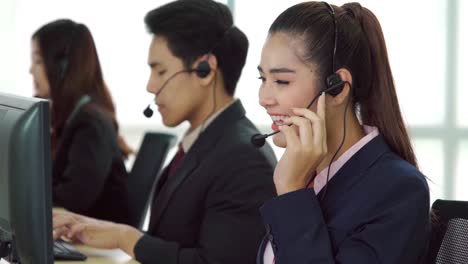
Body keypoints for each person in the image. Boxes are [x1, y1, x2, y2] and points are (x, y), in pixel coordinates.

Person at [53, 1, 277, 263]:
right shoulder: (206, 141)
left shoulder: (244, 159)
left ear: (205, 70)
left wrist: (127, 238)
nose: (150, 86)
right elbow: (180, 240)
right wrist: (110, 232)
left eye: (160, 71)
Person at [256, 2, 430, 263]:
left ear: (337, 88)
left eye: (281, 81)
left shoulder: (398, 189)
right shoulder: (307, 173)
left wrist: (292, 193)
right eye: (262, 80)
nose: (263, 98)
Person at [30, 19, 132, 224]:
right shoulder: (69, 119)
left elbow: (73, 198)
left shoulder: (90, 124)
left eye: (38, 61)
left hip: (97, 246)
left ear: (63, 67)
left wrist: (23, 194)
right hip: (76, 235)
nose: (31, 70)